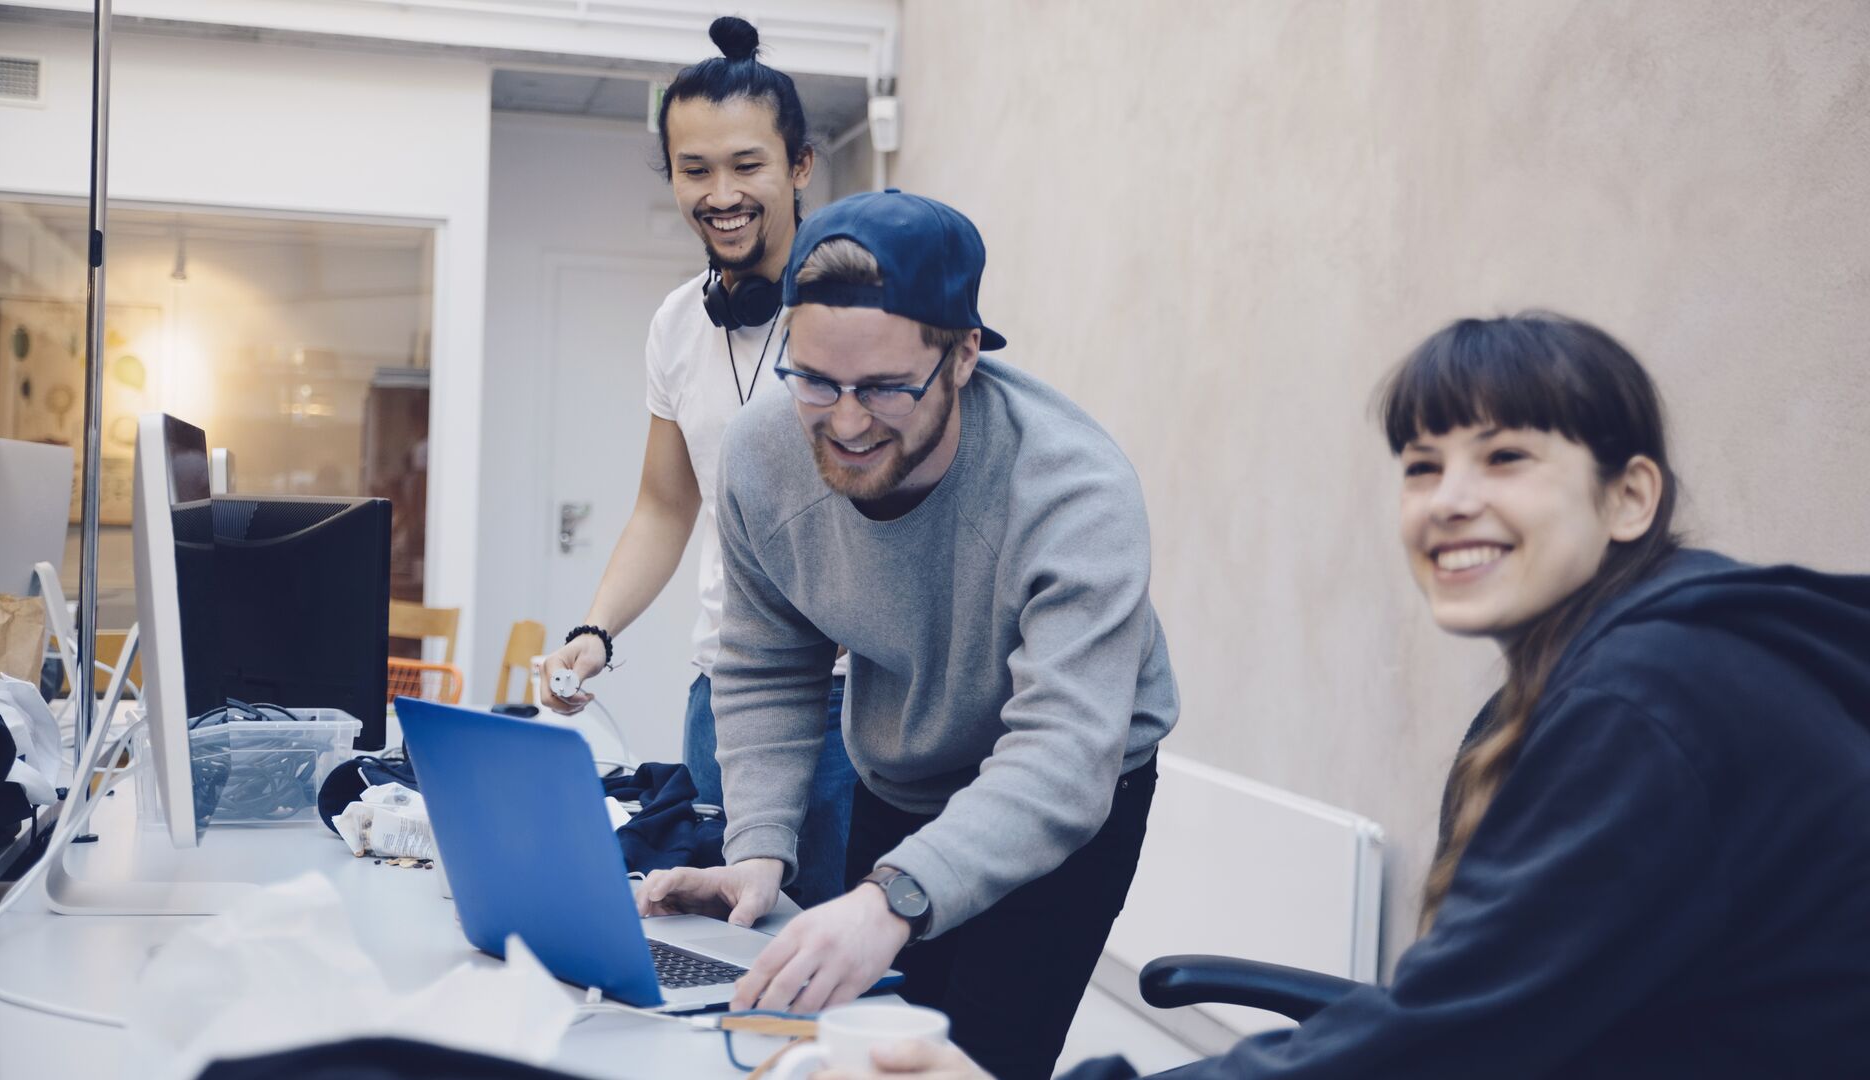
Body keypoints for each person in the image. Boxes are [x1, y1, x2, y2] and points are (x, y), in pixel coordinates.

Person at [842, 312, 1870, 1079]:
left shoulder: (1652, 702)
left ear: (1630, 496)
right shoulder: (1617, 672)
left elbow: (1452, 1032)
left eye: (1507, 457)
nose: (1452, 499)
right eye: (1424, 466)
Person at [635, 189, 1180, 1080]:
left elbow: (1061, 754)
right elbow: (769, 660)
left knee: (974, 1060)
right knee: (858, 1044)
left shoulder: (1075, 492)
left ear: (964, 354)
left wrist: (890, 897)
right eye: (814, 380)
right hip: (906, 768)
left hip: (1070, 787)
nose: (846, 423)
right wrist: (758, 851)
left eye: (887, 387)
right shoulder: (764, 456)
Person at [536, 16, 857, 908]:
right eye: (695, 169)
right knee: (712, 945)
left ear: (800, 165)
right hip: (721, 686)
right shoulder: (677, 323)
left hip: (843, 703)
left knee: (816, 961)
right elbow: (666, 506)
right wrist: (596, 631)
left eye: (748, 165)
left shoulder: (859, 310)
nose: (722, 193)